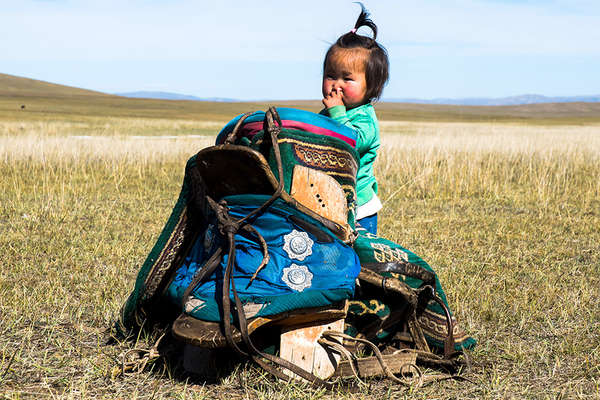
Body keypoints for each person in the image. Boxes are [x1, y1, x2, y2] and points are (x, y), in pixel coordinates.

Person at [320, 3, 389, 235]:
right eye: (330, 75)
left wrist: (337, 114)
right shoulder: (330, 111)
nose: (336, 84)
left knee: (360, 256)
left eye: (347, 79)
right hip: (329, 200)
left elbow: (350, 142)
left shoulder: (365, 120)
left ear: (372, 87)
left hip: (358, 208)